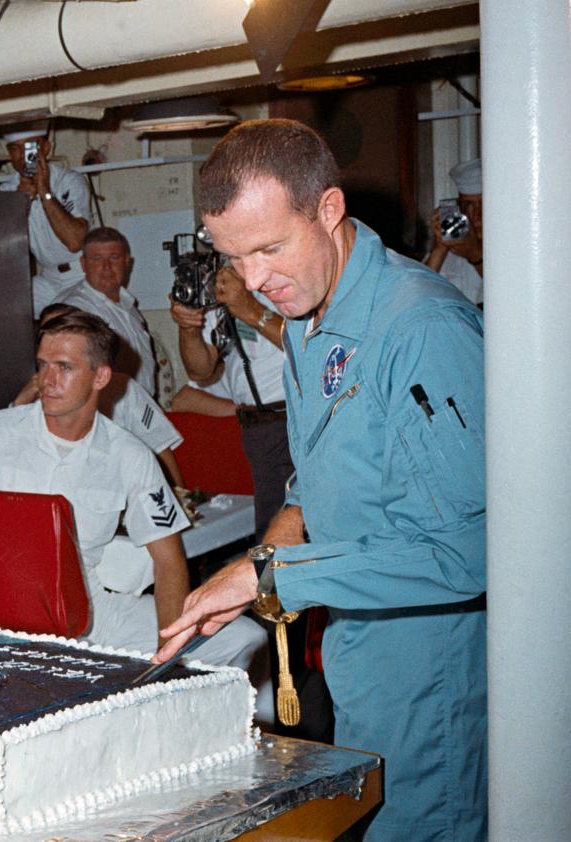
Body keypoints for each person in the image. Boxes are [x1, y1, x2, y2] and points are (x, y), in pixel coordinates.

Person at [156, 119, 486, 841]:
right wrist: (268, 552)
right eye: (234, 258)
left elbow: (474, 554)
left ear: (329, 209)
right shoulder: (309, 318)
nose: (254, 281)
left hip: (431, 668)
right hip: (359, 652)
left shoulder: (420, 328)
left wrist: (273, 581)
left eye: (271, 247)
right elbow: (318, 473)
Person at [0, 310, 268, 694]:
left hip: (89, 610)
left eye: (64, 367)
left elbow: (169, 561)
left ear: (101, 376)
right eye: (43, 365)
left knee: (243, 636)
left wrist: (169, 651)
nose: (47, 380)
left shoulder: (129, 453)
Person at [170, 264, 291, 540]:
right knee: (271, 532)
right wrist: (188, 328)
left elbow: (311, 345)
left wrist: (249, 309)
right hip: (257, 430)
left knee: (284, 536)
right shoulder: (225, 287)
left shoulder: (290, 278)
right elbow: (200, 371)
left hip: (293, 418)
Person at [13, 302, 184, 487]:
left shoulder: (126, 389)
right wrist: (21, 401)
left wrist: (178, 497)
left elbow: (159, 445)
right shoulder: (36, 395)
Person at [56, 227, 161, 397]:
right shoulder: (75, 308)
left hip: (140, 410)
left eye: (114, 257)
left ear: (127, 262)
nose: (106, 267)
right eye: (97, 259)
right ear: (83, 264)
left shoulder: (128, 304)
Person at [0, 123, 91, 313]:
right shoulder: (6, 191)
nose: (24, 156)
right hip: (48, 277)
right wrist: (21, 202)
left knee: (64, 319)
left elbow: (74, 242)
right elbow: (2, 248)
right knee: (5, 310)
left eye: (30, 147)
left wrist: (44, 192)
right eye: (16, 148)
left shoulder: (69, 181)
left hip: (81, 274)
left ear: (46, 148)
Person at [425, 157, 483, 305]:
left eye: (484, 204)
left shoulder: (513, 247)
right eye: (469, 204)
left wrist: (475, 255)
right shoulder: (454, 249)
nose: (477, 215)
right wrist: (440, 248)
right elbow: (418, 294)